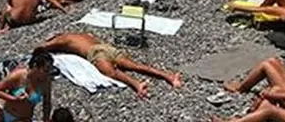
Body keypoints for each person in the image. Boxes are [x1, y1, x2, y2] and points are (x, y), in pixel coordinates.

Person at [39, 32, 181, 98]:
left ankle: (137, 84)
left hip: (95, 53)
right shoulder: (80, 34)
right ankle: (169, 76)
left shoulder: (62, 40)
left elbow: (41, 48)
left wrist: (48, 45)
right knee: (135, 66)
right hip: (107, 47)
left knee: (111, 73)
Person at [0, 48, 55, 122]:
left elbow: (47, 104)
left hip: (22, 118)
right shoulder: (19, 75)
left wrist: (45, 119)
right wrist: (14, 99)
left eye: (50, 70)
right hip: (5, 112)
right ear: (36, 66)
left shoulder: (46, 83)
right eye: (46, 70)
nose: (48, 73)